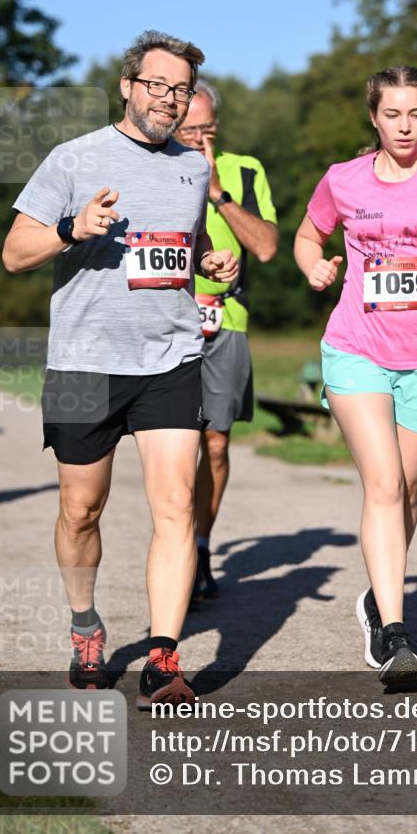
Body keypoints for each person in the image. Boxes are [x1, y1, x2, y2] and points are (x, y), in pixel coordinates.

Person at [2, 30, 238, 708]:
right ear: (128, 87)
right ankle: (85, 626)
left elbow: (175, 250)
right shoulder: (73, 159)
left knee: (174, 507)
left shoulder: (193, 168)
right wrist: (71, 229)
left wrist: (207, 263)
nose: (170, 99)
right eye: (159, 85)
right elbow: (15, 253)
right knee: (81, 509)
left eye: (182, 89)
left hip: (170, 357)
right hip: (83, 363)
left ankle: (162, 657)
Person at [294, 66, 417, 685]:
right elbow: (307, 236)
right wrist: (314, 268)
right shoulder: (343, 179)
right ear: (374, 117)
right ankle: (394, 633)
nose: (404, 126)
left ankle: (375, 599)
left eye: (415, 114)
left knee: (404, 494)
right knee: (382, 485)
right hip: (356, 348)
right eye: (392, 115)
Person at [174, 81, 277, 599]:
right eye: (188, 128)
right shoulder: (155, 163)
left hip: (227, 320)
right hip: (170, 320)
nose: (198, 137)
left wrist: (218, 190)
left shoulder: (246, 169)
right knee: (176, 443)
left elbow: (265, 247)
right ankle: (175, 554)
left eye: (207, 128)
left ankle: (200, 545)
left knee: (216, 444)